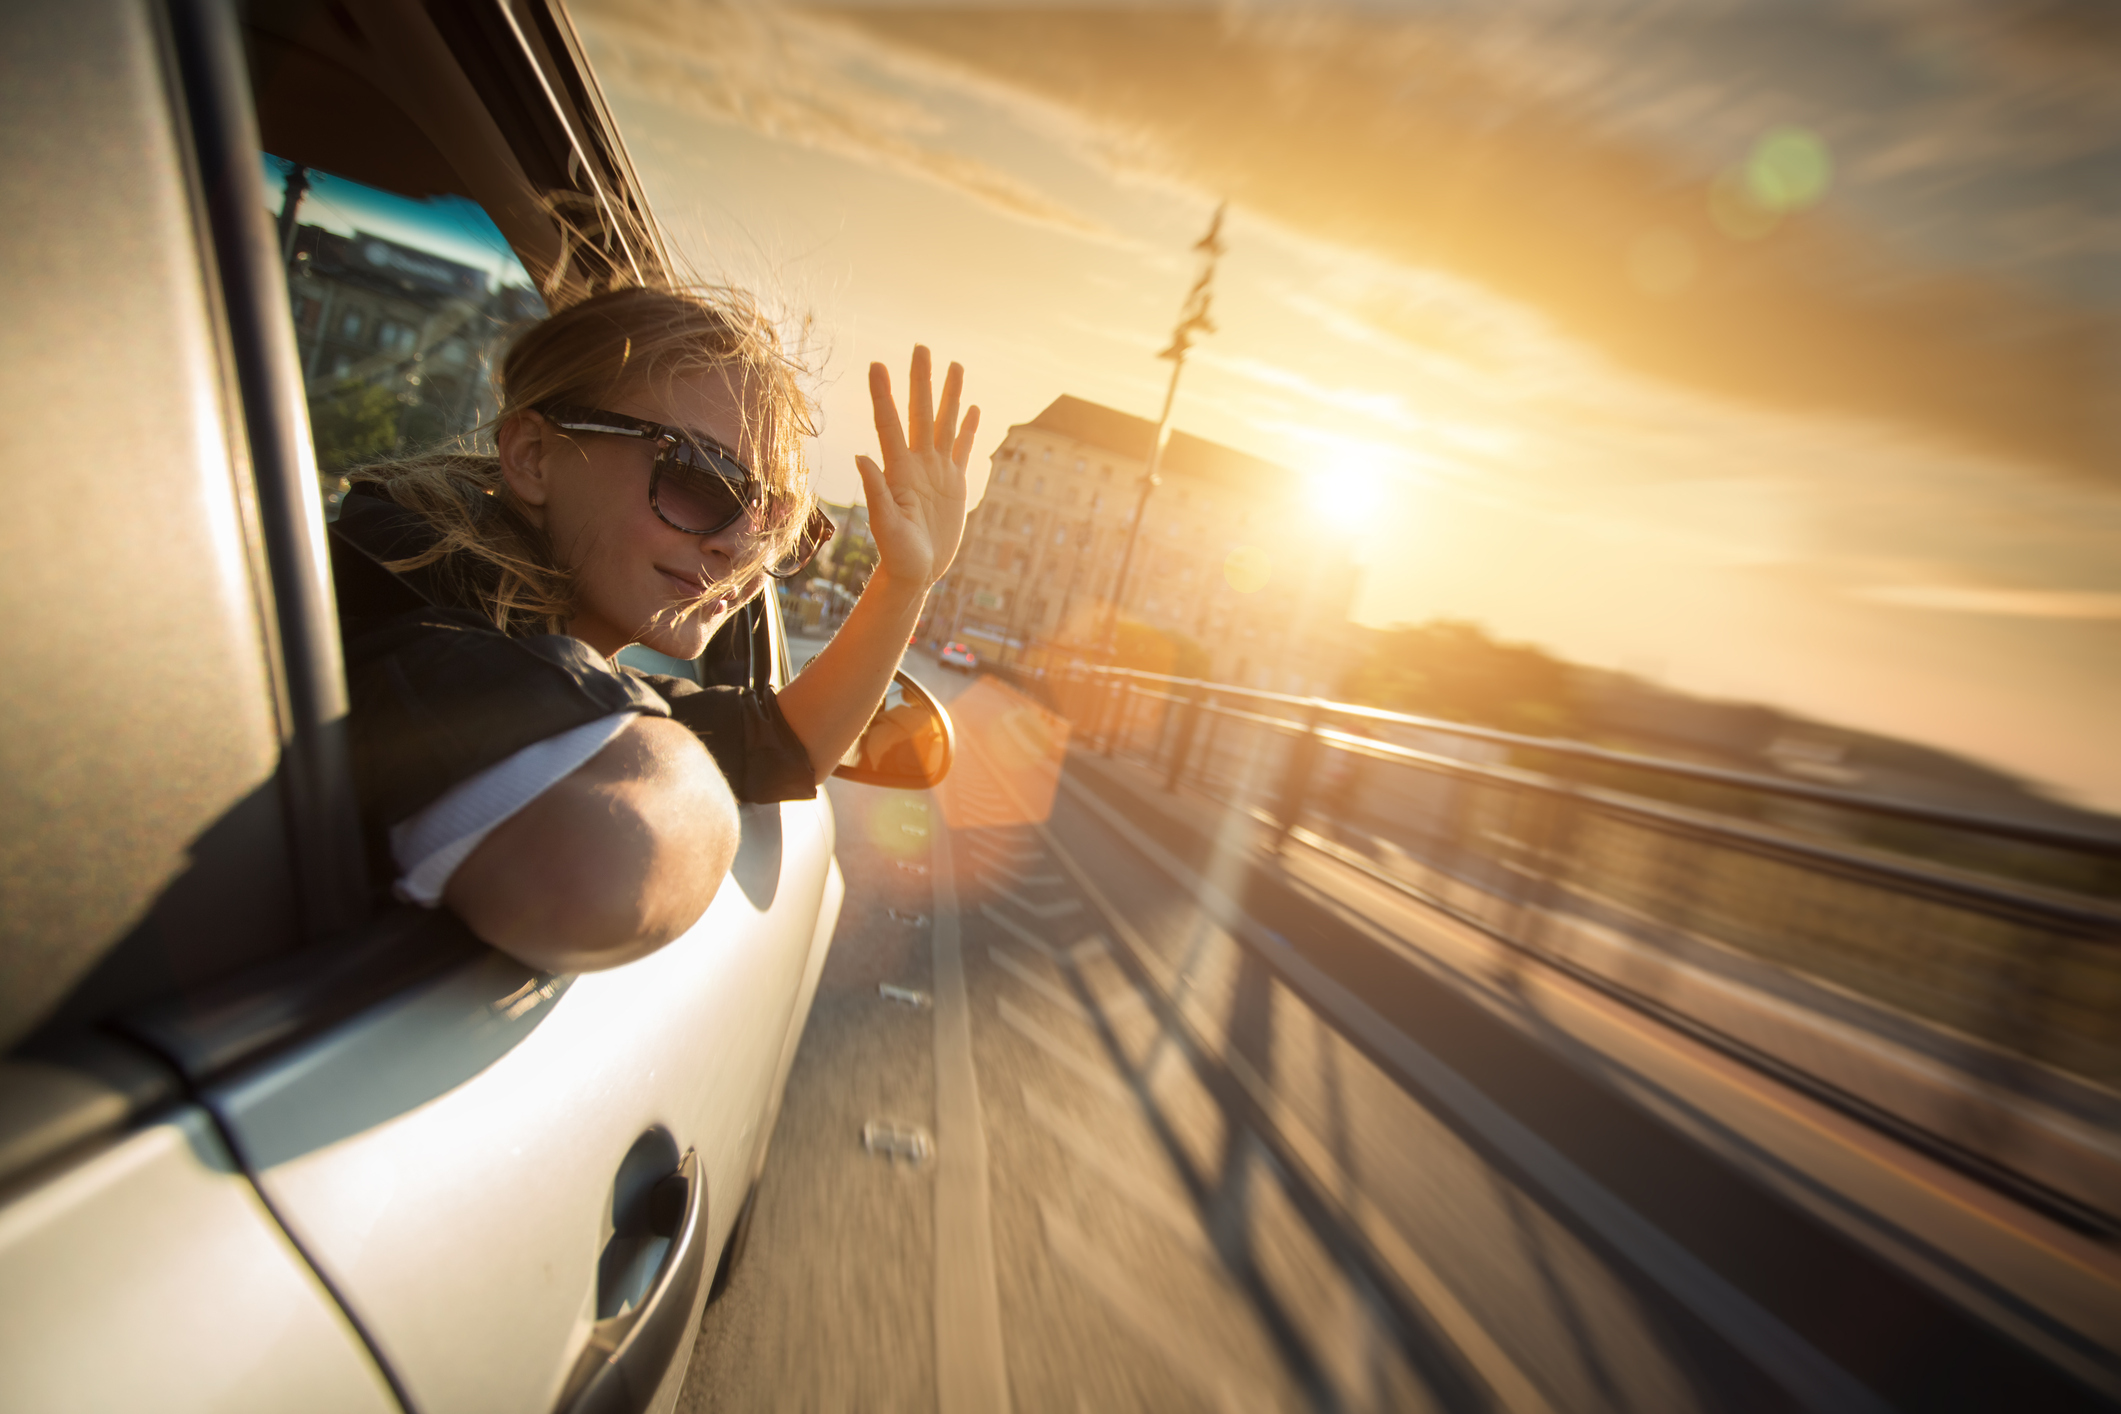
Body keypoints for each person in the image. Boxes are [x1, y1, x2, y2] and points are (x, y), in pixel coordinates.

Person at [328, 284, 976, 974]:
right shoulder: (409, 640)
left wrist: (906, 581)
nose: (740, 546)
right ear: (533, 455)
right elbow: (607, 868)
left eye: (776, 520)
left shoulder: (533, 653)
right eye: (699, 475)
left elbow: (778, 745)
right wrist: (664, 756)